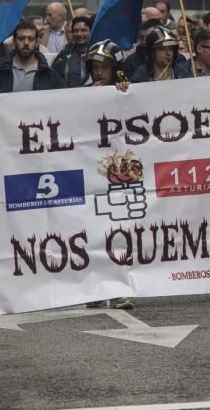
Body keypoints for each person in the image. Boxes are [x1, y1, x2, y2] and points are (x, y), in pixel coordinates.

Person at [82, 40, 133, 311]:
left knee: (120, 232)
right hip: (91, 175)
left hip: (120, 173)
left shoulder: (127, 92)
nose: (100, 73)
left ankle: (121, 289)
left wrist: (123, 92)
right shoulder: (78, 94)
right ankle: (94, 289)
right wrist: (89, 95)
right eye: (96, 67)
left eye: (105, 67)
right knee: (93, 234)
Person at [0, 21, 67, 93]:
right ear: (14, 41)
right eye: (21, 38)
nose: (26, 43)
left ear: (37, 42)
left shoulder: (49, 74)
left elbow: (63, 97)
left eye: (31, 39)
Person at [51, 15, 92, 87]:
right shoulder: (63, 55)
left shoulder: (98, 53)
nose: (79, 34)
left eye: (83, 30)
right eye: (76, 31)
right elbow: (53, 78)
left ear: (90, 32)